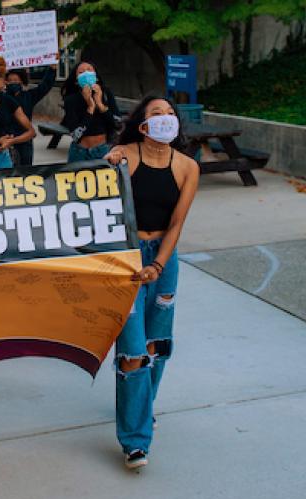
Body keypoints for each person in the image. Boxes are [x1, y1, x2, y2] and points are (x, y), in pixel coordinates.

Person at [103, 96, 199, 470]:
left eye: (170, 113)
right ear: (142, 125)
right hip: (126, 257)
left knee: (157, 344)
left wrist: (158, 264)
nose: (166, 118)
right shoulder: (125, 154)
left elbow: (176, 224)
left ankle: (142, 406)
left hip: (164, 258)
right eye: (156, 113)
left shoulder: (188, 167)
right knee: (132, 352)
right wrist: (108, 165)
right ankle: (135, 440)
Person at [61, 61, 120, 162]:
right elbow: (75, 135)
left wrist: (101, 105)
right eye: (81, 72)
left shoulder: (106, 93)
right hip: (79, 153)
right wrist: (90, 107)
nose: (86, 73)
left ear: (96, 76)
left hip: (103, 151)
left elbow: (117, 124)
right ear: (76, 80)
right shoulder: (70, 100)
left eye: (89, 70)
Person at [6, 63, 56, 165]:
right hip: (7, 141)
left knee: (26, 170)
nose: (12, 83)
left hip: (25, 141)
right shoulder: (1, 98)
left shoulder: (28, 96)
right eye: (9, 81)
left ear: (21, 82)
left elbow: (45, 86)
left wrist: (52, 69)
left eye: (15, 80)